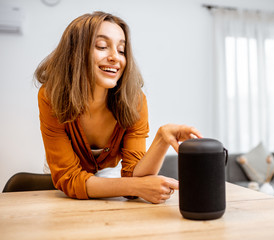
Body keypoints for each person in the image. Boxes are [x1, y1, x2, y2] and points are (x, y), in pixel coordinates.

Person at [35, 11, 202, 203]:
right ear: (74, 54)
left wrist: (162, 138)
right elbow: (70, 179)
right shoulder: (51, 97)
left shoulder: (135, 101)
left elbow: (134, 179)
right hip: (66, 195)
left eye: (122, 50)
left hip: (107, 185)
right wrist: (134, 186)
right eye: (102, 46)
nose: (115, 57)